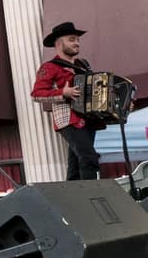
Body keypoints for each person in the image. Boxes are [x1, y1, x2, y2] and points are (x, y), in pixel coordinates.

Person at [31, 22, 103, 181]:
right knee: (89, 157)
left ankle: (73, 201)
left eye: (77, 39)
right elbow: (37, 94)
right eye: (71, 39)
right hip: (68, 119)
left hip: (88, 119)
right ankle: (89, 197)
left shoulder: (82, 65)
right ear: (58, 43)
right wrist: (63, 93)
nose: (76, 43)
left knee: (76, 164)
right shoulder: (49, 67)